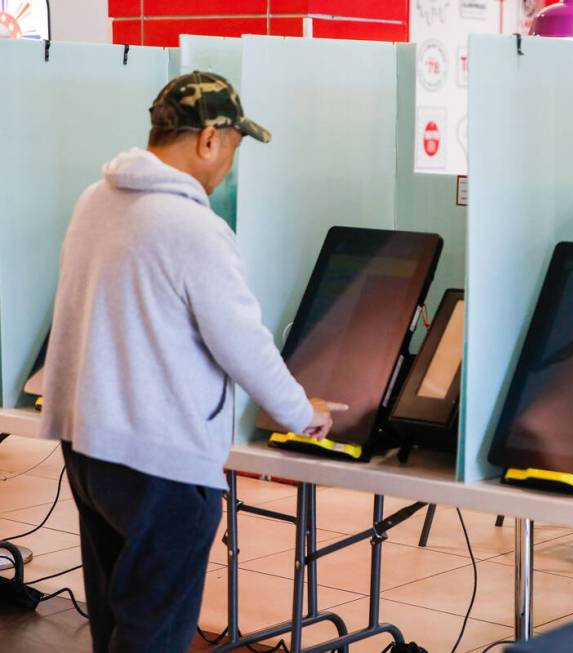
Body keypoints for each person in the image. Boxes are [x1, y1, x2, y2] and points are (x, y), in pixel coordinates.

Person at [39, 72, 345, 652]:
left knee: (117, 620)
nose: (228, 163)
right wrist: (301, 411)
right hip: (162, 461)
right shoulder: (193, 227)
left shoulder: (95, 200)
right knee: (156, 629)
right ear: (209, 139)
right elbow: (242, 343)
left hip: (88, 445)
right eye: (233, 147)